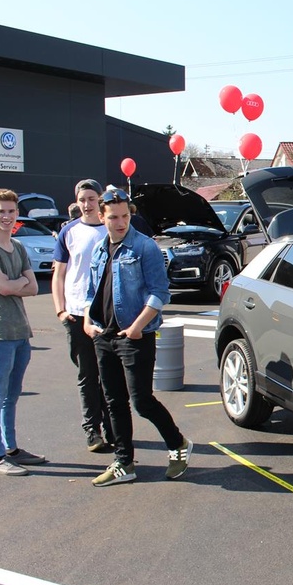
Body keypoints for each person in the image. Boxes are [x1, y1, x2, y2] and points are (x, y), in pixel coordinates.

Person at [85, 187, 192, 487]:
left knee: (141, 401)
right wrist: (87, 320)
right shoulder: (99, 248)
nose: (120, 223)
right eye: (113, 218)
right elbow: (91, 290)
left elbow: (160, 292)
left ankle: (178, 445)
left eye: (124, 216)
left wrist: (136, 326)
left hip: (136, 336)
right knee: (114, 401)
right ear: (101, 217)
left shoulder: (144, 248)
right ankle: (124, 462)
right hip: (103, 334)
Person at [0, 189, 46, 476]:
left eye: (11, 211)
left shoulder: (19, 247)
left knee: (13, 393)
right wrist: (18, 284)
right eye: (1, 211)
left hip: (20, 330)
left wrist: (15, 284)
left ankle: (12, 449)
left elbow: (35, 287)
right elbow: (1, 288)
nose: (6, 216)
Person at [53, 179, 115, 453]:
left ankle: (114, 427)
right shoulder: (69, 232)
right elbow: (59, 274)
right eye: (82, 199)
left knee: (110, 374)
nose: (87, 204)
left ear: (100, 200)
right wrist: (61, 309)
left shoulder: (112, 228)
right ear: (76, 202)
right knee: (87, 374)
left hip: (108, 314)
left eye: (92, 198)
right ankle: (93, 429)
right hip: (78, 313)